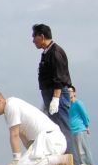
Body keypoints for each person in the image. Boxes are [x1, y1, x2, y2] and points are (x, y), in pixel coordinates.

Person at [0, 88, 75, 165]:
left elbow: (14, 135)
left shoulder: (11, 106)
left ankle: (61, 160)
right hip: (48, 141)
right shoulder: (10, 108)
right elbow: (24, 137)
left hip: (50, 139)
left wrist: (16, 161)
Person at [32, 24, 74, 156]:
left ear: (42, 36)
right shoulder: (46, 53)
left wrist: (55, 99)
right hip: (49, 94)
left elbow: (59, 78)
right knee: (54, 128)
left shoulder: (55, 52)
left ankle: (70, 159)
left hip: (58, 95)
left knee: (63, 127)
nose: (33, 40)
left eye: (34, 37)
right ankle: (60, 158)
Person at [67, 85, 93, 165]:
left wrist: (87, 126)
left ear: (74, 93)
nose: (68, 93)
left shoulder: (78, 103)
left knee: (82, 150)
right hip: (71, 131)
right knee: (76, 151)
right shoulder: (68, 105)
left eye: (70, 91)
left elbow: (84, 114)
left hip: (79, 129)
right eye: (67, 92)